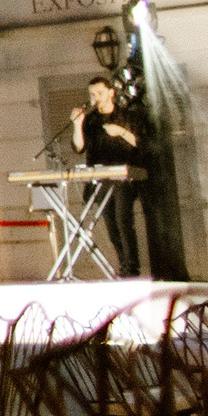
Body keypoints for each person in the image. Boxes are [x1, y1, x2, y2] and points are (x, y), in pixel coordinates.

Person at [73, 73, 147, 275]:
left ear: (111, 93)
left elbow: (140, 143)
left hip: (122, 178)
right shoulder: (91, 120)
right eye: (92, 94)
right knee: (111, 225)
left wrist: (120, 132)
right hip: (101, 178)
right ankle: (124, 265)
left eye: (99, 93)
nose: (95, 97)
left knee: (124, 221)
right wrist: (77, 124)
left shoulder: (126, 116)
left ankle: (132, 268)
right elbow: (79, 147)